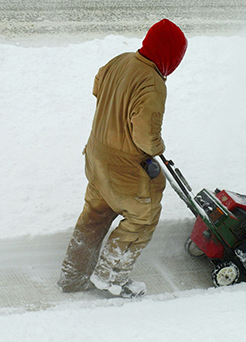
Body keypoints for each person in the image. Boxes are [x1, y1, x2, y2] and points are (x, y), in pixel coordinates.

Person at [57, 19, 188, 298]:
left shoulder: (120, 60)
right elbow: (145, 136)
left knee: (94, 216)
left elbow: (97, 87)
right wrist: (158, 146)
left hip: (96, 156)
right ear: (169, 55)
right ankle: (111, 276)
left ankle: (73, 275)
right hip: (124, 167)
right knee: (143, 216)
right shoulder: (153, 84)